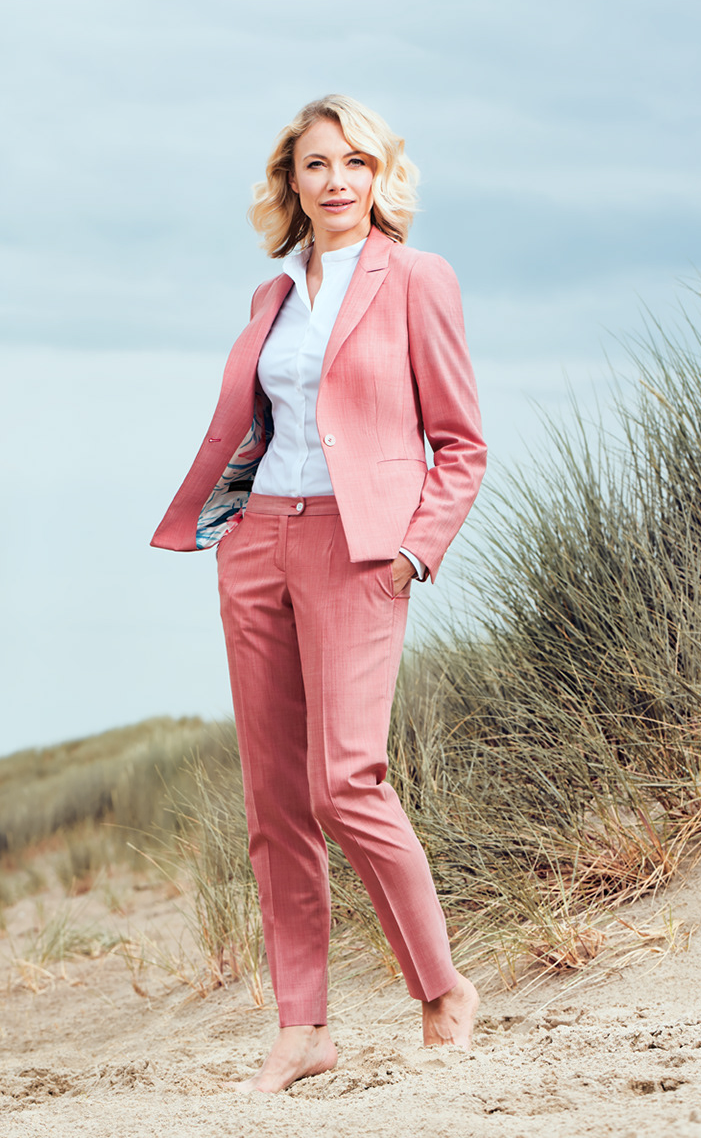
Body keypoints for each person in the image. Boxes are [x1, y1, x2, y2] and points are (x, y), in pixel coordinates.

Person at [150, 94, 486, 1092]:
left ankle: (442, 989)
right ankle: (303, 1028)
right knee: (275, 796)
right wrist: (231, 533)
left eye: (355, 162)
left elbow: (461, 443)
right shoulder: (272, 295)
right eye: (316, 164)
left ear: (382, 176)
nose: (337, 180)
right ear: (290, 182)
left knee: (346, 780)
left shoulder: (418, 278)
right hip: (258, 540)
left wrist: (415, 550)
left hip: (359, 547)